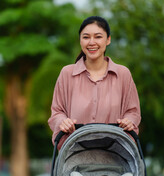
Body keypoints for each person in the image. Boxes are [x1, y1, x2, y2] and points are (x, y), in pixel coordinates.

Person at [48, 16, 141, 148]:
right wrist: (63, 122)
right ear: (80, 40)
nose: (92, 42)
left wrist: (129, 121)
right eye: (86, 37)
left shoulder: (123, 74)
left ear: (108, 40)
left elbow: (133, 112)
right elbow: (57, 112)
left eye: (98, 37)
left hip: (115, 156)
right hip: (74, 155)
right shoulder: (67, 74)